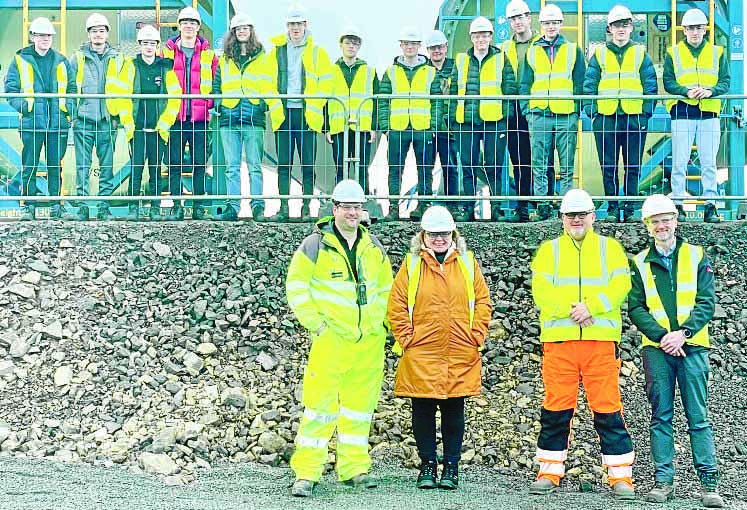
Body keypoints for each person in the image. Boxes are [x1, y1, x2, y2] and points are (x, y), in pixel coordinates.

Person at [285, 179, 393, 497]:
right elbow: (297, 286)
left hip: (368, 343)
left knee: (359, 410)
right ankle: (307, 473)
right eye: (346, 207)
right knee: (320, 408)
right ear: (335, 209)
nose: (352, 212)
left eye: (357, 207)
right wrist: (316, 325)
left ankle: (353, 468)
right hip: (332, 340)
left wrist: (384, 328)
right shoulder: (314, 245)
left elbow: (387, 291)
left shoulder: (374, 248)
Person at [529, 188, 635, 500]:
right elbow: (542, 292)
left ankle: (621, 477)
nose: (576, 219)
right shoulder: (549, 251)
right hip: (560, 343)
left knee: (608, 408)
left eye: (582, 214)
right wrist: (574, 310)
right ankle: (549, 470)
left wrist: (592, 306)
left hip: (599, 342)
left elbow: (621, 285)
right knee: (555, 409)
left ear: (593, 217)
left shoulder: (610, 249)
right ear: (561, 219)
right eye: (570, 215)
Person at [387, 205, 492, 490]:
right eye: (433, 234)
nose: (439, 239)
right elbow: (396, 305)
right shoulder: (411, 266)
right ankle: (427, 466)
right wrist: (408, 338)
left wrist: (475, 336)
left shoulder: (468, 264)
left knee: (453, 409)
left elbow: (483, 302)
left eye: (444, 233)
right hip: (421, 351)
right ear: (423, 236)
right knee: (421, 409)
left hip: (459, 350)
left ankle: (451, 468)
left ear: (453, 234)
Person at [628, 194, 723, 508]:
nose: (661, 225)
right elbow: (636, 308)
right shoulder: (639, 262)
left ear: (676, 221)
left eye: (666, 219)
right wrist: (663, 337)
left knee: (699, 417)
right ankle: (663, 482)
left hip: (693, 346)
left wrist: (682, 334)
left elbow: (706, 302)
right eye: (655, 221)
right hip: (657, 350)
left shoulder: (697, 256)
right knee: (661, 416)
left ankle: (709, 485)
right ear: (647, 226)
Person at [584, 5, 658, 223]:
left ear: (631, 27)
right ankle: (614, 207)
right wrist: (594, 113)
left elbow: (650, 86)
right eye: (617, 25)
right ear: (609, 28)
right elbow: (589, 86)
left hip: (634, 118)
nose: (621, 29)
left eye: (625, 25)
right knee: (608, 166)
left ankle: (631, 207)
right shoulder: (599, 55)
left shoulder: (641, 54)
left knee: (633, 165)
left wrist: (645, 114)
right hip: (606, 118)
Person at [213, 13, 283, 222]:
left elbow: (271, 82)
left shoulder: (263, 56)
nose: (242, 31)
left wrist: (261, 105)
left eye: (246, 28)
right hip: (229, 117)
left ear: (251, 31)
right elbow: (217, 84)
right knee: (231, 167)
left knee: (255, 166)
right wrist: (219, 104)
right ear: (233, 32)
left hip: (254, 117)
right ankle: (232, 207)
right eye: (238, 28)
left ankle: (257, 207)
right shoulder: (225, 58)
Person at [267, 3, 333, 221]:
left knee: (308, 165)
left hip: (307, 116)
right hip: (283, 114)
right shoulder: (276, 52)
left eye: (299, 24)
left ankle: (306, 208)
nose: (295, 28)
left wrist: (313, 108)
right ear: (287, 26)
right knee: (283, 164)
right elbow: (267, 82)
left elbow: (326, 84)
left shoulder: (318, 53)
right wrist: (276, 104)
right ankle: (284, 208)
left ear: (306, 25)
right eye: (292, 24)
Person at [5, 17, 75, 221]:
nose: (45, 39)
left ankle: (56, 206)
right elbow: (11, 89)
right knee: (30, 166)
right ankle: (28, 206)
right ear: (33, 37)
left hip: (56, 123)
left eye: (48, 35)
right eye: (41, 35)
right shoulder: (20, 59)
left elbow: (71, 89)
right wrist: (25, 108)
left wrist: (67, 112)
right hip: (32, 122)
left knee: (55, 165)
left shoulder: (61, 61)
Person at [664, 8, 730, 224]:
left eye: (698, 28)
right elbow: (668, 82)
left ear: (705, 29)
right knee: (680, 162)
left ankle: (710, 206)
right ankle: (678, 205)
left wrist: (710, 91)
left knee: (709, 162)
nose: (694, 32)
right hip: (682, 111)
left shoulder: (718, 53)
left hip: (709, 111)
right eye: (691, 28)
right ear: (684, 30)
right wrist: (685, 91)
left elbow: (725, 81)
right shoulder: (672, 53)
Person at [449, 16, 518, 222]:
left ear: (490, 37)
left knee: (494, 166)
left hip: (494, 121)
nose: (481, 39)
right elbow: (453, 92)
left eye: (484, 35)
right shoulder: (461, 60)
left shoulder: (501, 58)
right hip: (466, 121)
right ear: (471, 37)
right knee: (468, 165)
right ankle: (469, 209)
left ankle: (496, 209)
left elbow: (510, 88)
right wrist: (452, 119)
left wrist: (505, 116)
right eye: (477, 35)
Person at [520, 4, 586, 220]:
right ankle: (543, 205)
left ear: (561, 24)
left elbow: (580, 82)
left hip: (565, 114)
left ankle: (565, 207)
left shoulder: (572, 49)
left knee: (566, 164)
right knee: (539, 163)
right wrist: (527, 111)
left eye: (554, 23)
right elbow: (525, 84)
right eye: (547, 23)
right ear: (541, 25)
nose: (551, 27)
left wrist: (577, 110)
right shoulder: (532, 50)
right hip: (539, 114)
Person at [118, 24, 181, 221]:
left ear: (157, 45)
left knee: (155, 169)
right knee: (136, 169)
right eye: (145, 43)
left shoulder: (165, 68)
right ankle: (133, 207)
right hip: (137, 129)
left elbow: (175, 98)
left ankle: (155, 207)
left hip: (158, 129)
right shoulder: (131, 66)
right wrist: (129, 125)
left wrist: (164, 124)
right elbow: (123, 97)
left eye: (152, 43)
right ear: (139, 45)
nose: (148, 47)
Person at [378, 27, 442, 221]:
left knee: (425, 169)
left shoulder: (431, 72)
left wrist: (433, 126)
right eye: (406, 44)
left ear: (419, 46)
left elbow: (437, 101)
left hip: (423, 128)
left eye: (413, 44)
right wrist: (385, 127)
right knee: (395, 169)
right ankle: (393, 208)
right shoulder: (390, 72)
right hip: (397, 128)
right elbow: (383, 100)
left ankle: (423, 207)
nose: (409, 48)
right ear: (401, 46)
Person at [161, 6, 218, 220]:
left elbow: (215, 82)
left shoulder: (208, 55)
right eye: (185, 22)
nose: (188, 26)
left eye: (192, 23)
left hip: (199, 118)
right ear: (179, 25)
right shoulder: (166, 52)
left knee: (199, 163)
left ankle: (197, 206)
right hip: (174, 117)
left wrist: (208, 104)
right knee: (174, 163)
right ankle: (176, 205)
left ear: (198, 27)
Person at [69, 13, 125, 221]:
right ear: (89, 34)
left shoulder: (118, 58)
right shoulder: (78, 58)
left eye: (101, 31)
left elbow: (124, 88)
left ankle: (104, 207)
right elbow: (70, 87)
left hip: (107, 120)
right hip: (84, 119)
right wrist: (73, 115)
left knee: (106, 166)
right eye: (94, 31)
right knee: (82, 166)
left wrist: (117, 116)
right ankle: (82, 207)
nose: (98, 34)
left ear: (107, 33)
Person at [326, 26, 378, 196]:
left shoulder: (370, 71)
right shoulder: (330, 71)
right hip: (338, 126)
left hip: (362, 127)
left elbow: (376, 100)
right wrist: (326, 127)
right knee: (340, 167)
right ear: (341, 45)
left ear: (359, 47)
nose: (351, 46)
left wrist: (373, 126)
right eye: (348, 43)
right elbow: (324, 101)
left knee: (362, 167)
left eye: (355, 43)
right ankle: (340, 200)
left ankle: (364, 201)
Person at [502, 0, 535, 222]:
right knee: (518, 158)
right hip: (513, 110)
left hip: (538, 108)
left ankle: (540, 204)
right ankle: (523, 205)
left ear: (529, 17)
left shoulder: (542, 44)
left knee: (541, 160)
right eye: (513, 19)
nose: (517, 22)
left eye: (520, 17)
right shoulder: (504, 48)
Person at [424, 30, 458, 215]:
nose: (436, 51)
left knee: (450, 168)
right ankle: (425, 203)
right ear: (428, 50)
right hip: (428, 126)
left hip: (449, 127)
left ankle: (452, 205)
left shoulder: (455, 68)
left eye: (439, 47)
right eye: (433, 48)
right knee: (426, 167)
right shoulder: (423, 70)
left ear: (446, 47)